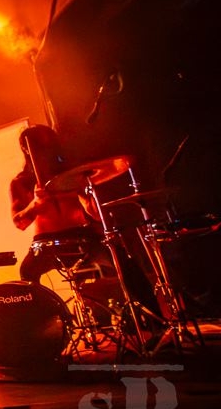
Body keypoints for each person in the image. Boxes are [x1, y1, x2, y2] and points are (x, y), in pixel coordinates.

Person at [10, 124, 154, 322]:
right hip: (46, 243)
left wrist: (85, 197)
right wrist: (36, 204)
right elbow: (20, 222)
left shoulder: (73, 173)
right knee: (27, 273)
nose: (45, 151)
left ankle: (153, 319)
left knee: (123, 261)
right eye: (39, 146)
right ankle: (44, 324)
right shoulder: (21, 182)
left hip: (83, 236)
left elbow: (95, 215)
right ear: (26, 149)